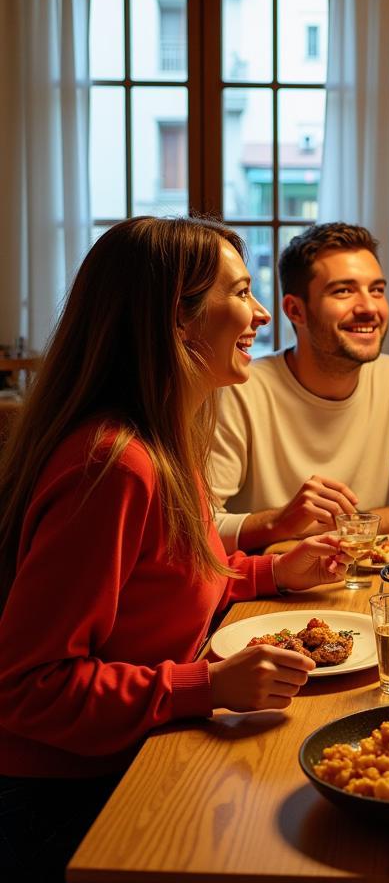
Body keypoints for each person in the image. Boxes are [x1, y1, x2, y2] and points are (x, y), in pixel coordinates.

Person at [0, 217, 354, 881]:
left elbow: (165, 580)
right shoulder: (112, 466)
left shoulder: (164, 444)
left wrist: (273, 571)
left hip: (136, 751)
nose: (257, 313)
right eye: (241, 292)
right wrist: (206, 685)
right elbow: (25, 687)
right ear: (177, 320)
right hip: (69, 797)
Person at [209, 223, 389, 552]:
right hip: (268, 586)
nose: (369, 308)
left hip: (360, 578)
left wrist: (351, 525)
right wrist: (280, 522)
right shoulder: (242, 387)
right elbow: (199, 525)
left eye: (377, 290)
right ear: (296, 310)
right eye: (343, 291)